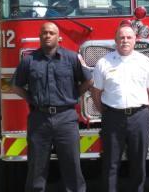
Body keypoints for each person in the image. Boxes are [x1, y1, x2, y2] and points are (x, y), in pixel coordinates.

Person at [11, 22, 93, 192]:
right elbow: (16, 86)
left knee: (72, 167)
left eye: (51, 33)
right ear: (40, 36)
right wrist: (32, 100)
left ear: (58, 37)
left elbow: (89, 80)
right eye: (44, 33)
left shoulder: (72, 58)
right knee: (36, 168)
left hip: (66, 119)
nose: (47, 36)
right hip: (39, 120)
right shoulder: (28, 61)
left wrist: (72, 96)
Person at [91, 24, 149, 192]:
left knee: (138, 163)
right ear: (115, 40)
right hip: (113, 117)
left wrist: (143, 111)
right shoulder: (104, 63)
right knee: (110, 163)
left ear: (135, 40)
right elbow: (96, 92)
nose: (125, 40)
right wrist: (106, 112)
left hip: (139, 117)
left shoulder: (145, 62)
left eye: (129, 37)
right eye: (121, 37)